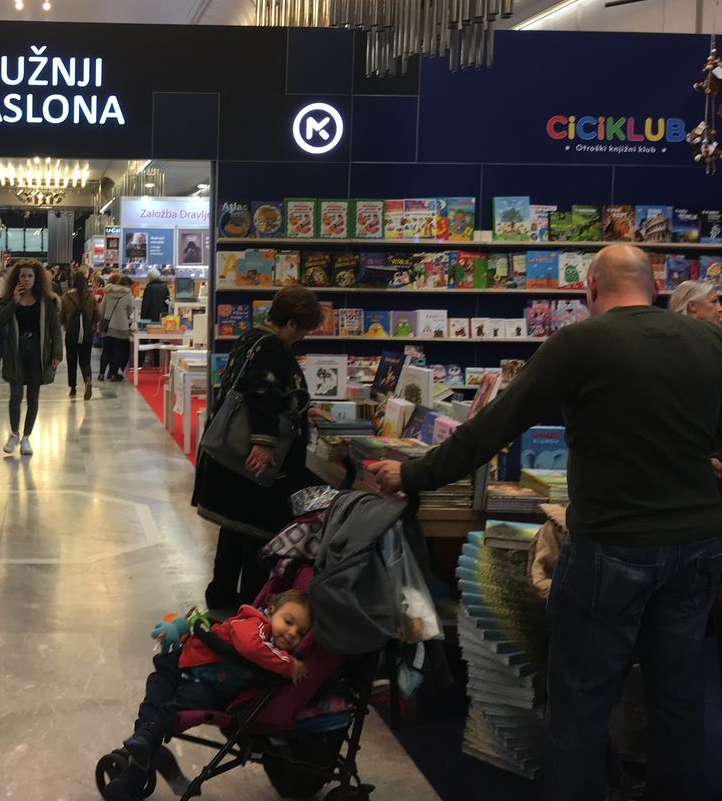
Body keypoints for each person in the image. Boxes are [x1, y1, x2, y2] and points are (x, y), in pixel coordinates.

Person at [363, 244, 722, 801]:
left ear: (592, 290)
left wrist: (413, 476)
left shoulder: (579, 342)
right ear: (658, 287)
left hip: (611, 543)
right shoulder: (710, 341)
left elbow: (492, 428)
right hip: (697, 544)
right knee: (678, 697)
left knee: (581, 699)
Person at [104, 590, 313, 801]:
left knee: (165, 710)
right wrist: (289, 664)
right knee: (156, 701)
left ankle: (135, 772)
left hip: (205, 684)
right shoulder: (255, 623)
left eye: (301, 633)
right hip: (186, 665)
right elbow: (252, 647)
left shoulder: (274, 647)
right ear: (271, 611)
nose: (292, 632)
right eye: (288, 621)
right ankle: (148, 744)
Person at [194, 284, 325, 610]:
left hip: (232, 460)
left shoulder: (251, 338)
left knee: (233, 532)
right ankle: (250, 606)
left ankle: (221, 597)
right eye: (304, 329)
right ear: (292, 323)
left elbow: (261, 391)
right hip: (251, 463)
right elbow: (262, 396)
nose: (304, 336)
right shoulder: (273, 348)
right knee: (257, 536)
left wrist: (301, 409)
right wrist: (264, 444)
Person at [0, 259, 63, 456]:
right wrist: (14, 303)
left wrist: (57, 353)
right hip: (15, 352)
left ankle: (26, 437)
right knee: (15, 394)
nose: (26, 279)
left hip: (37, 352)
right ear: (17, 278)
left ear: (37, 278)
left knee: (33, 396)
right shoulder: (8, 299)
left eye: (30, 276)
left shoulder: (47, 301)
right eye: (23, 276)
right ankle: (14, 434)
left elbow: (55, 330)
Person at [60, 269, 100, 399]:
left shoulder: (66, 297)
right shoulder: (90, 297)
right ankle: (87, 380)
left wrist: (66, 323)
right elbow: (97, 316)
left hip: (71, 333)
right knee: (85, 361)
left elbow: (60, 318)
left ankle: (73, 388)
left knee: (71, 361)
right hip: (87, 333)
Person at [98, 274, 136, 381]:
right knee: (117, 351)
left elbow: (102, 310)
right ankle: (114, 374)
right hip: (121, 326)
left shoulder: (108, 292)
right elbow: (130, 312)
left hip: (107, 326)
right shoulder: (128, 295)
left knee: (106, 350)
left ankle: (101, 373)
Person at [139, 269, 171, 368]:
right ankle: (157, 363)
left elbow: (145, 305)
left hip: (149, 318)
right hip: (162, 317)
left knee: (143, 340)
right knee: (156, 341)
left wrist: (142, 320)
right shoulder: (165, 287)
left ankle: (140, 363)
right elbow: (167, 302)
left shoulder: (149, 288)